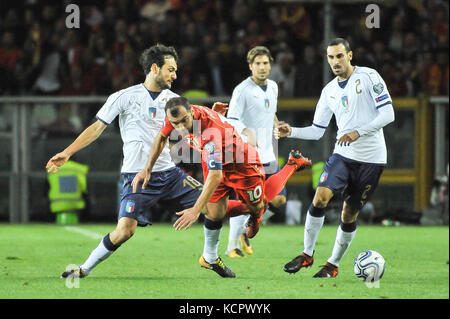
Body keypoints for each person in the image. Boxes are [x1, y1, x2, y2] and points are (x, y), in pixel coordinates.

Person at [46, 44, 207, 279]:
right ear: (154, 68)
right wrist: (68, 151)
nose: (175, 75)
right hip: (136, 177)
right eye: (170, 70)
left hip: (170, 174)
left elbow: (191, 134)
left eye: (176, 70)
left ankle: (214, 256)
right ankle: (83, 269)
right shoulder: (123, 97)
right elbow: (97, 128)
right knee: (124, 231)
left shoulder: (175, 101)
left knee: (215, 199)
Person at [132, 96, 312, 278]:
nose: (180, 127)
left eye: (184, 121)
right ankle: (209, 257)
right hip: (215, 161)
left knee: (258, 205)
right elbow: (162, 137)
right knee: (214, 213)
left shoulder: (209, 134)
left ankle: (292, 164)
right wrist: (147, 168)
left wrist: (195, 210)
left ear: (192, 112)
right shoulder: (177, 112)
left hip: (241, 164)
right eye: (175, 123)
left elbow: (215, 175)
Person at [276, 38, 395, 278]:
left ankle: (332, 265)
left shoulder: (369, 76)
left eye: (339, 56)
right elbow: (318, 130)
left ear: (350, 55)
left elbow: (388, 113)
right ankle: (307, 254)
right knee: (320, 197)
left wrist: (358, 132)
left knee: (348, 213)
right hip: (343, 154)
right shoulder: (329, 91)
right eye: (331, 57)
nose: (335, 61)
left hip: (372, 159)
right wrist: (293, 131)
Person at [221, 46, 288, 258]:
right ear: (250, 66)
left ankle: (246, 229)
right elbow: (231, 118)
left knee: (279, 200)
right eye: (257, 63)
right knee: (247, 201)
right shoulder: (242, 90)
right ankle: (232, 247)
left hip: (269, 154)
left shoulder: (274, 87)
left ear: (270, 65)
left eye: (265, 63)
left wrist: (277, 124)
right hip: (247, 155)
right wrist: (246, 131)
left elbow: (271, 112)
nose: (262, 67)